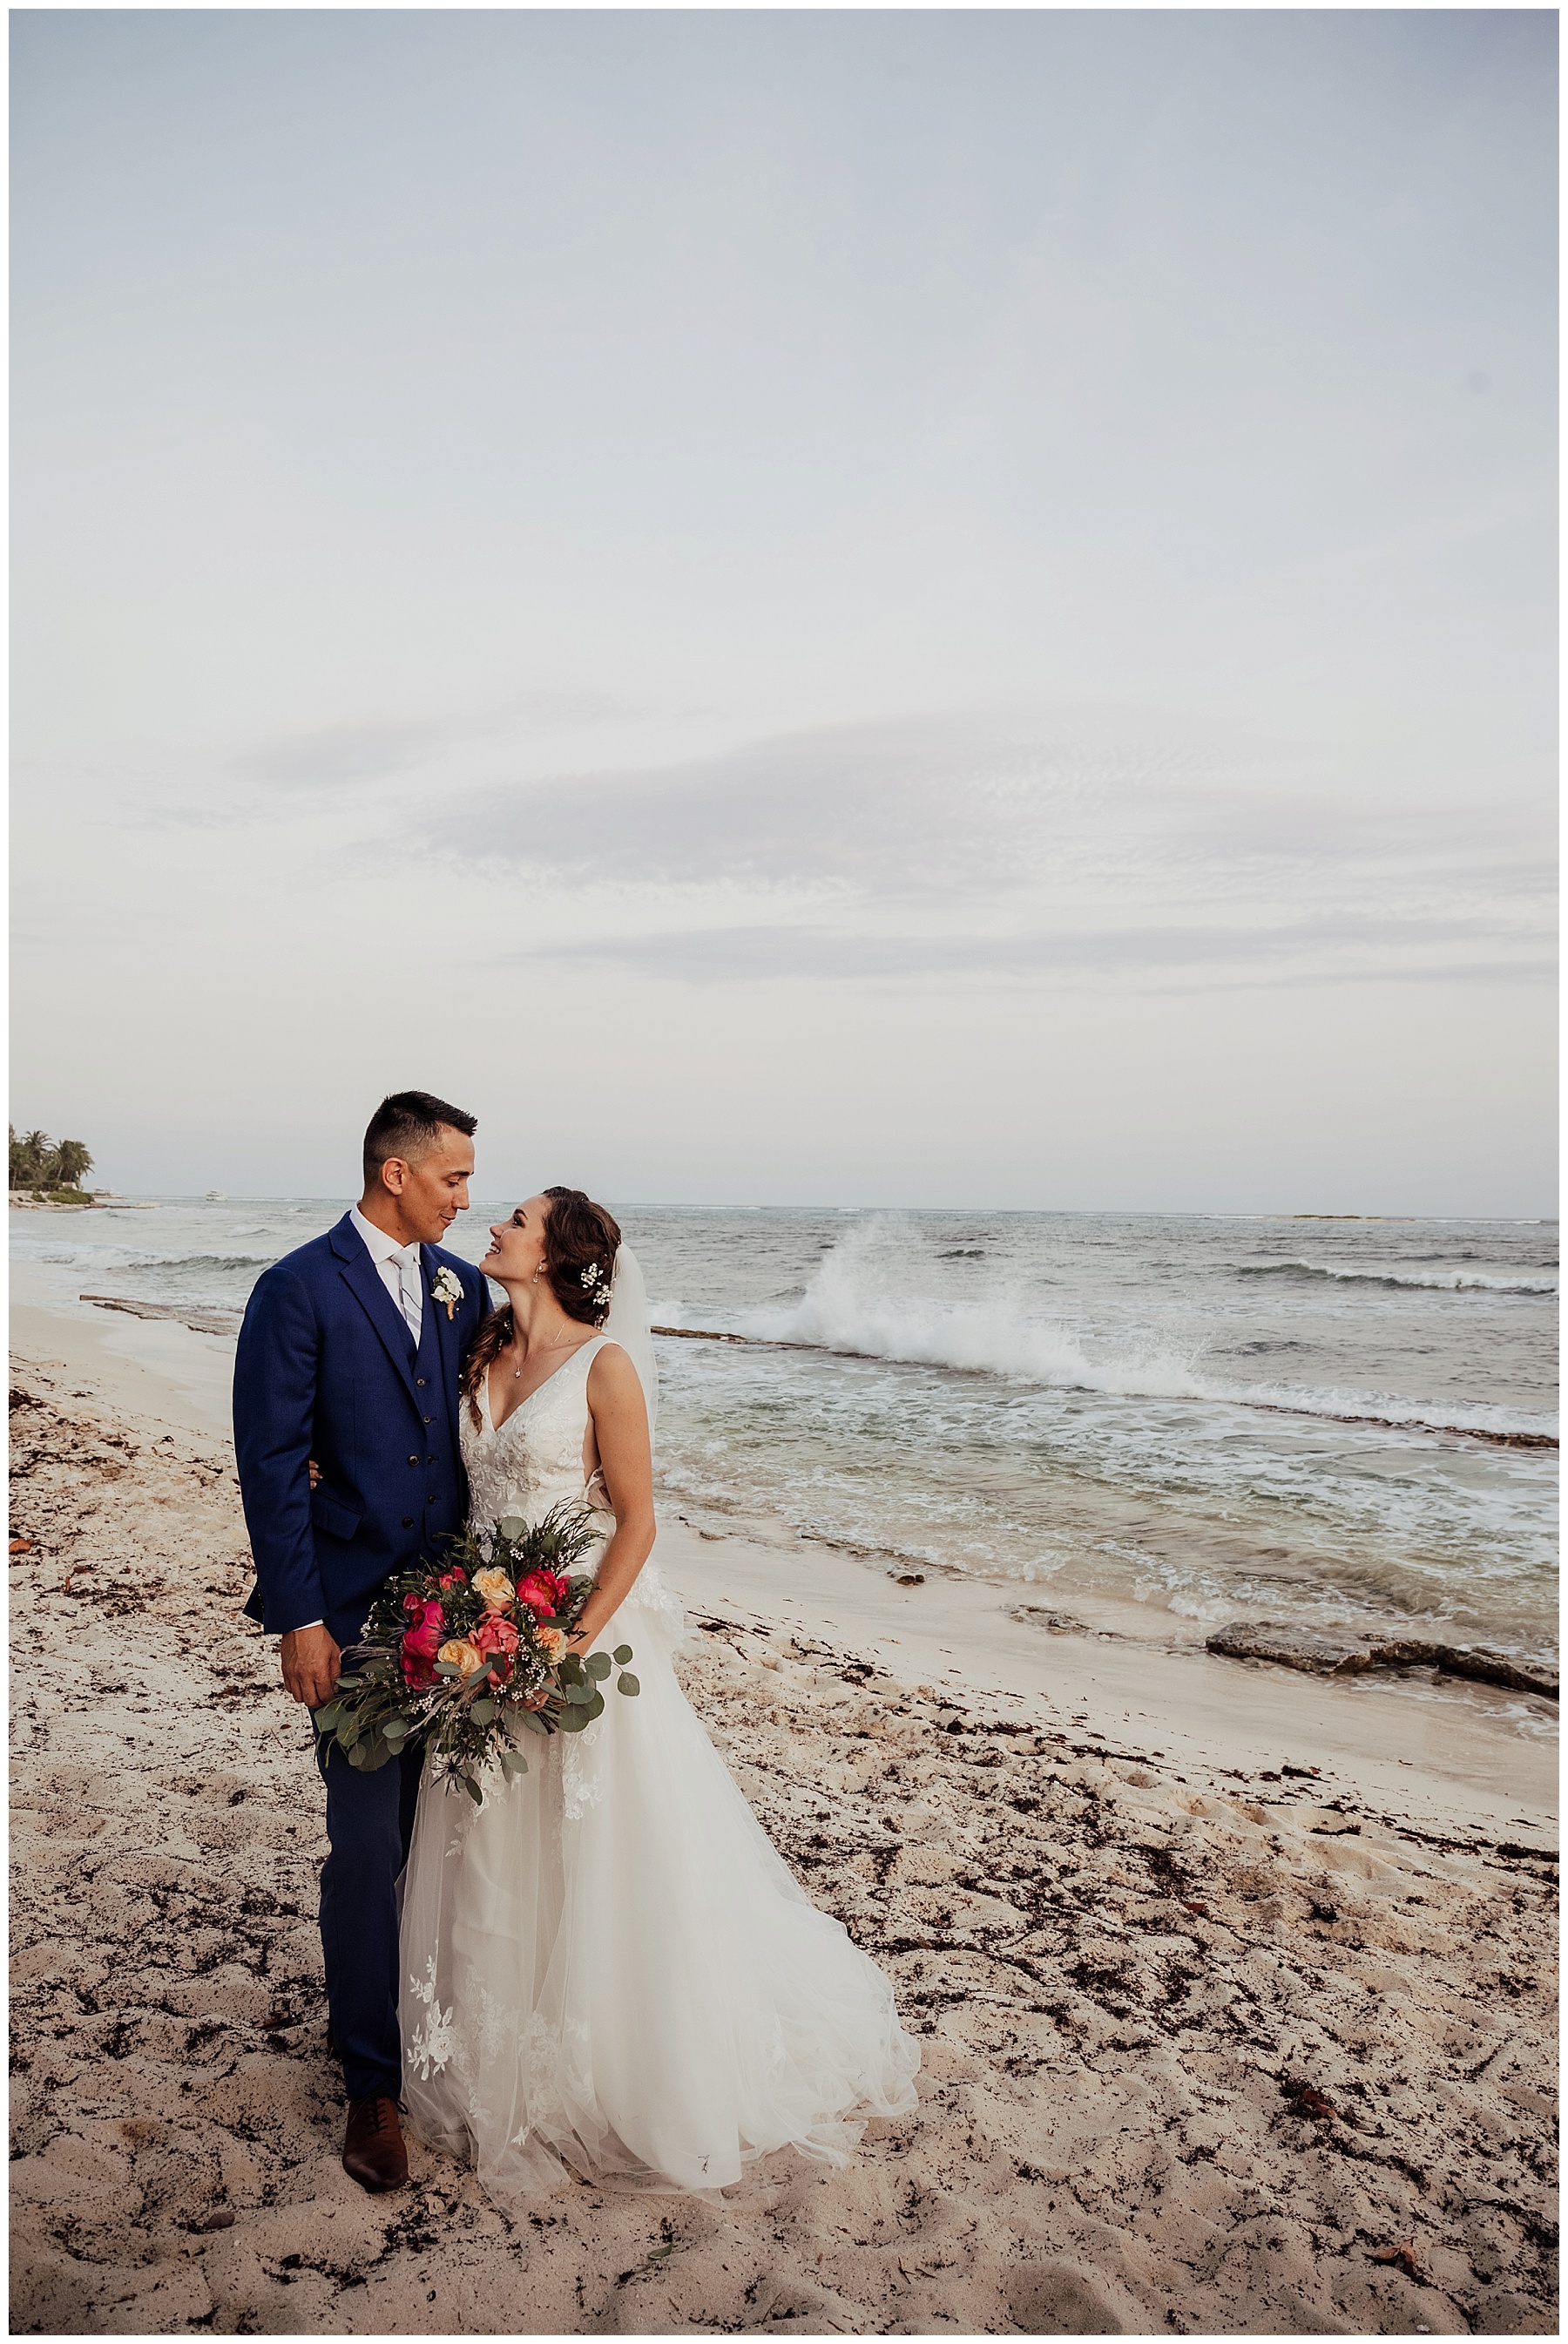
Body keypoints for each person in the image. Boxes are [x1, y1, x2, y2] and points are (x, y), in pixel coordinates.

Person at [398, 1187, 920, 2198]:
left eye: (518, 1218)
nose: (496, 1225)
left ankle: (610, 2056)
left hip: (571, 1629)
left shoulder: (608, 1365)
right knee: (491, 1832)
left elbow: (637, 1521)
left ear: (558, 1253)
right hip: (481, 1625)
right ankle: (494, 2048)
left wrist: (566, 1639)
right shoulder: (482, 1346)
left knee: (597, 1841)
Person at [233, 1091, 487, 2193]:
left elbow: (507, 1408)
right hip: (350, 1612)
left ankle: (454, 2036)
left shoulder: (466, 1286)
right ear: (397, 1172)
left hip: (467, 1618)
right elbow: (271, 1461)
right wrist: (299, 1616)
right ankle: (371, 2082)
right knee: (369, 1845)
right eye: (453, 1178)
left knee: (453, 1837)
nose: (466, 1197)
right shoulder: (295, 1288)